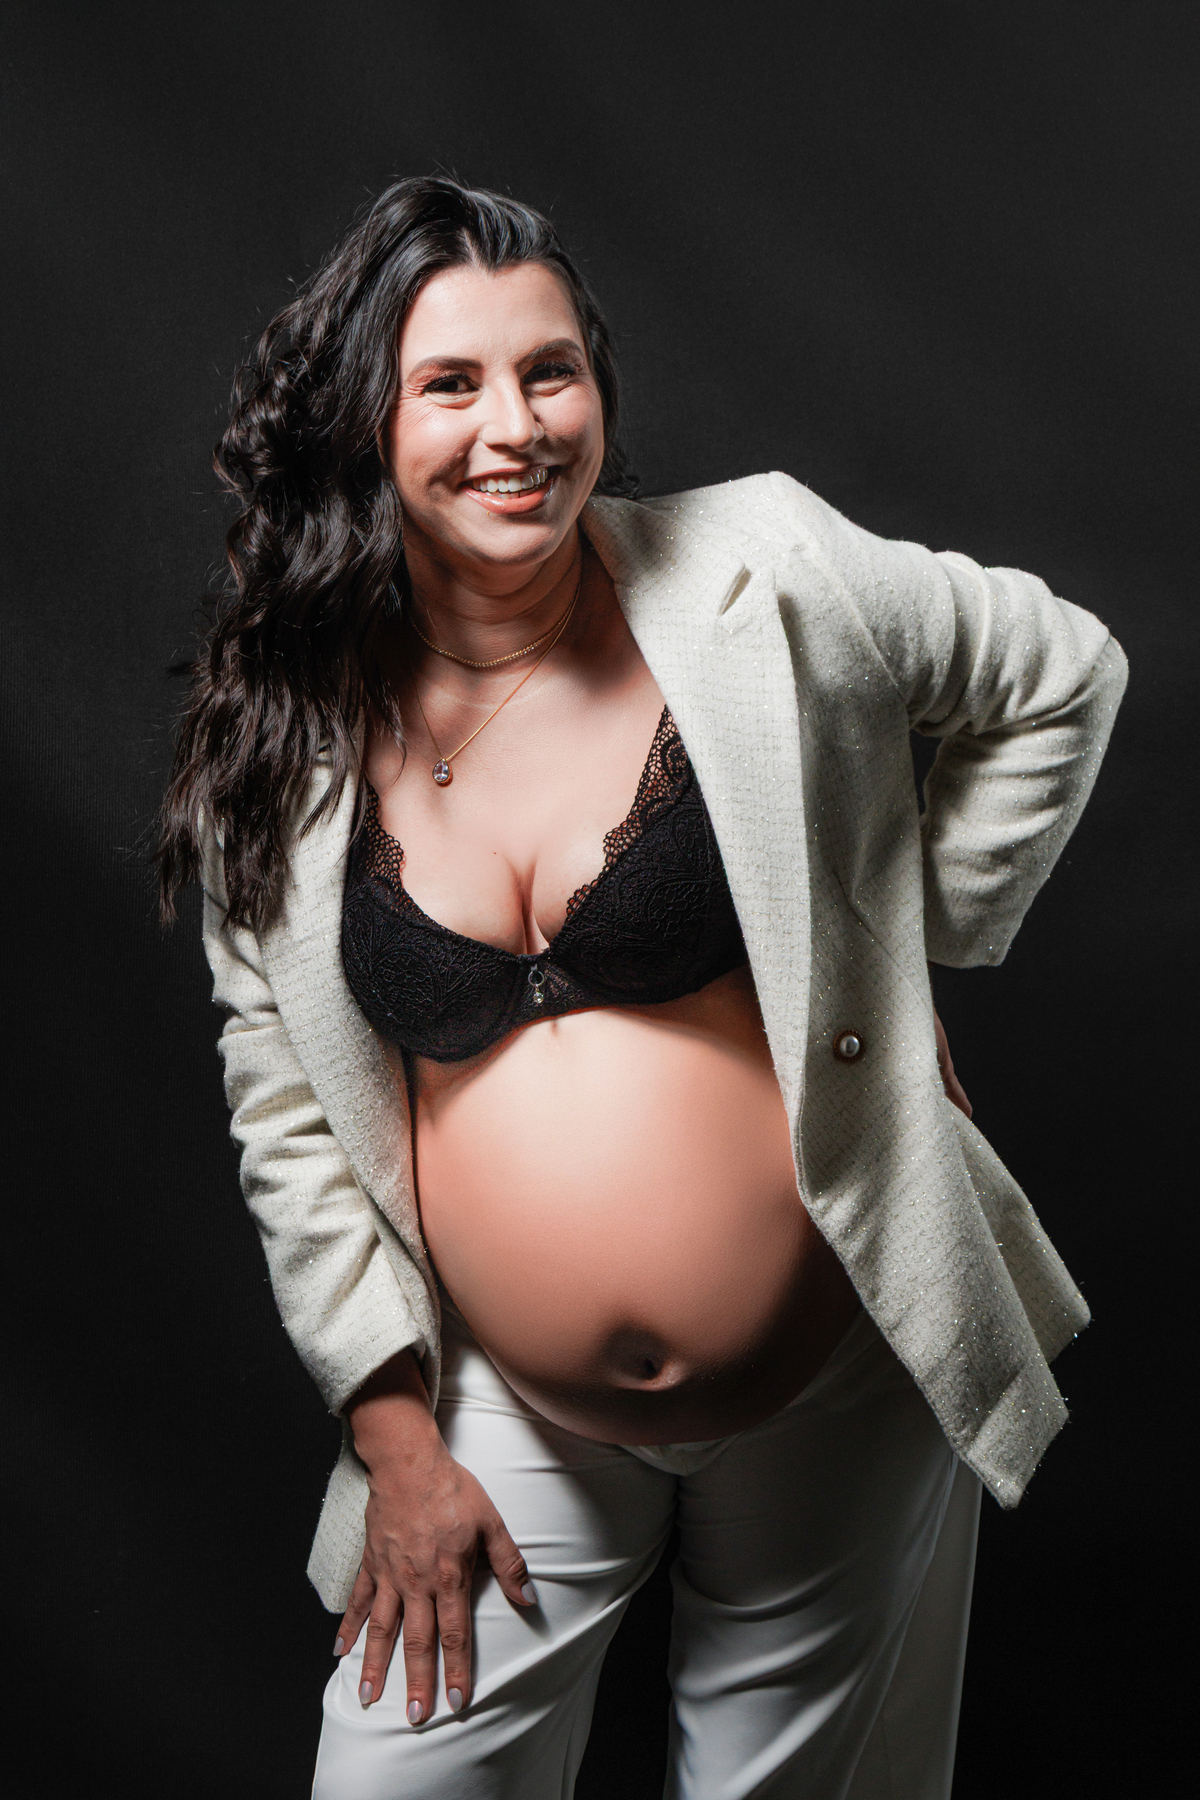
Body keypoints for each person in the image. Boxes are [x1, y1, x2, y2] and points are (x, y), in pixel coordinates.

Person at [159, 176, 1126, 1800]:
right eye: (450, 383)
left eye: (551, 370)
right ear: (367, 425)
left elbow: (1060, 671)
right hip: (501, 1411)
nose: (516, 427)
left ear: (597, 385)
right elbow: (282, 1102)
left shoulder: (763, 568)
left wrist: (907, 959)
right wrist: (395, 1437)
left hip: (837, 1374)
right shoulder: (287, 734)